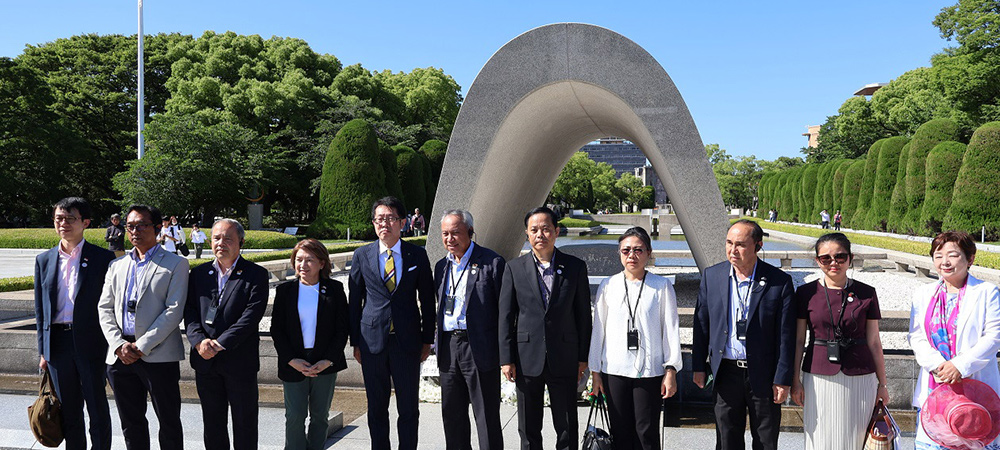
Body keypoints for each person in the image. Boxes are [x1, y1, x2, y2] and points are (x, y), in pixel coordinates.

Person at [691, 219, 795, 450]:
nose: (732, 250)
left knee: (766, 440)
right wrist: (698, 366)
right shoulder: (712, 276)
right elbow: (702, 325)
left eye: (740, 244)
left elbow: (785, 336)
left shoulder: (779, 282)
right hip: (726, 372)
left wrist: (782, 379)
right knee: (727, 439)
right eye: (729, 243)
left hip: (763, 374)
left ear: (758, 245)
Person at [499, 206, 592, 450]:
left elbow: (583, 315)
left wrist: (583, 357)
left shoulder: (575, 267)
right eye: (534, 230)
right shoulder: (513, 268)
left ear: (556, 231)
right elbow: (506, 316)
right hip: (526, 357)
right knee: (529, 427)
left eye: (546, 229)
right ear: (527, 234)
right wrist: (506, 359)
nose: (540, 234)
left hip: (564, 356)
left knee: (567, 424)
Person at [98, 204, 188, 450]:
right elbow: (104, 308)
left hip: (158, 355)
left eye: (141, 225)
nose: (135, 231)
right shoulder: (116, 266)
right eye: (130, 226)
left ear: (158, 228)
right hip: (120, 356)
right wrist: (118, 345)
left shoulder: (175, 264)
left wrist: (141, 345)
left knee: (168, 421)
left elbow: (174, 310)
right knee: (131, 422)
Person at [348, 196, 435, 450]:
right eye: (379, 219)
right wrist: (355, 342)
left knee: (408, 408)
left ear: (402, 222)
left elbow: (427, 301)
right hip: (371, 342)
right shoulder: (362, 254)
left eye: (390, 218)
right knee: (376, 408)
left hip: (407, 343)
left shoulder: (417, 255)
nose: (383, 223)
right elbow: (355, 302)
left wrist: (427, 340)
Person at [790, 233, 890, 450]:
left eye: (839, 257)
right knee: (821, 435)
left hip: (861, 375)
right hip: (817, 376)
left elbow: (874, 342)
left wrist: (882, 384)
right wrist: (795, 380)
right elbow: (799, 340)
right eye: (825, 258)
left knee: (856, 435)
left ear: (850, 258)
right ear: (817, 261)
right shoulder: (805, 293)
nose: (833, 263)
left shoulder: (866, 293)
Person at [34, 197, 116, 450]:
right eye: (59, 218)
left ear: (86, 223)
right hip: (57, 343)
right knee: (68, 408)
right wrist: (43, 350)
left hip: (90, 341)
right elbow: (40, 309)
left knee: (96, 405)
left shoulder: (103, 258)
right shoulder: (44, 259)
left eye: (70, 218)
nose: (63, 223)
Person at [589, 226, 681, 450]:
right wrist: (595, 372)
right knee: (620, 431)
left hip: (649, 371)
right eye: (626, 250)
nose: (632, 255)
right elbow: (598, 330)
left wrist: (670, 371)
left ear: (649, 253)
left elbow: (670, 329)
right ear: (619, 253)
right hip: (614, 370)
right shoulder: (608, 285)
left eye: (638, 250)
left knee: (646, 431)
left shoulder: (661, 286)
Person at [909, 231, 1000, 449]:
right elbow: (916, 335)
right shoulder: (923, 293)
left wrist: (959, 365)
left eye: (953, 255)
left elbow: (994, 335)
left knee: (975, 440)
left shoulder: (987, 292)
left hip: (976, 387)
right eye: (938, 255)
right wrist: (939, 366)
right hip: (936, 386)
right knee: (933, 443)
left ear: (970, 258)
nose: (945, 262)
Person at [184, 218, 269, 450]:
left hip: (239, 362)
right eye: (216, 238)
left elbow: (251, 318)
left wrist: (219, 344)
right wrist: (199, 342)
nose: (221, 243)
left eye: (228, 238)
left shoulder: (256, 275)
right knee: (212, 425)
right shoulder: (198, 274)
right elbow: (189, 311)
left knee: (245, 424)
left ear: (241, 242)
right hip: (205, 362)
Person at [434, 210, 505, 450]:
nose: (449, 239)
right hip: (449, 348)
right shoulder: (441, 266)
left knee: (486, 418)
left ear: (470, 233)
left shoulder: (492, 263)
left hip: (480, 349)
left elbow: (505, 313)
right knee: (452, 418)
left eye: (455, 232)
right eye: (445, 233)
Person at [271, 239, 349, 450]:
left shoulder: (334, 289)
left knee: (320, 417)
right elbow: (277, 330)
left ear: (322, 263)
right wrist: (290, 360)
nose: (303, 265)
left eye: (309, 260)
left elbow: (342, 329)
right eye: (299, 260)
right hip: (293, 362)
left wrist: (328, 360)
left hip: (324, 362)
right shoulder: (285, 291)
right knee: (295, 416)